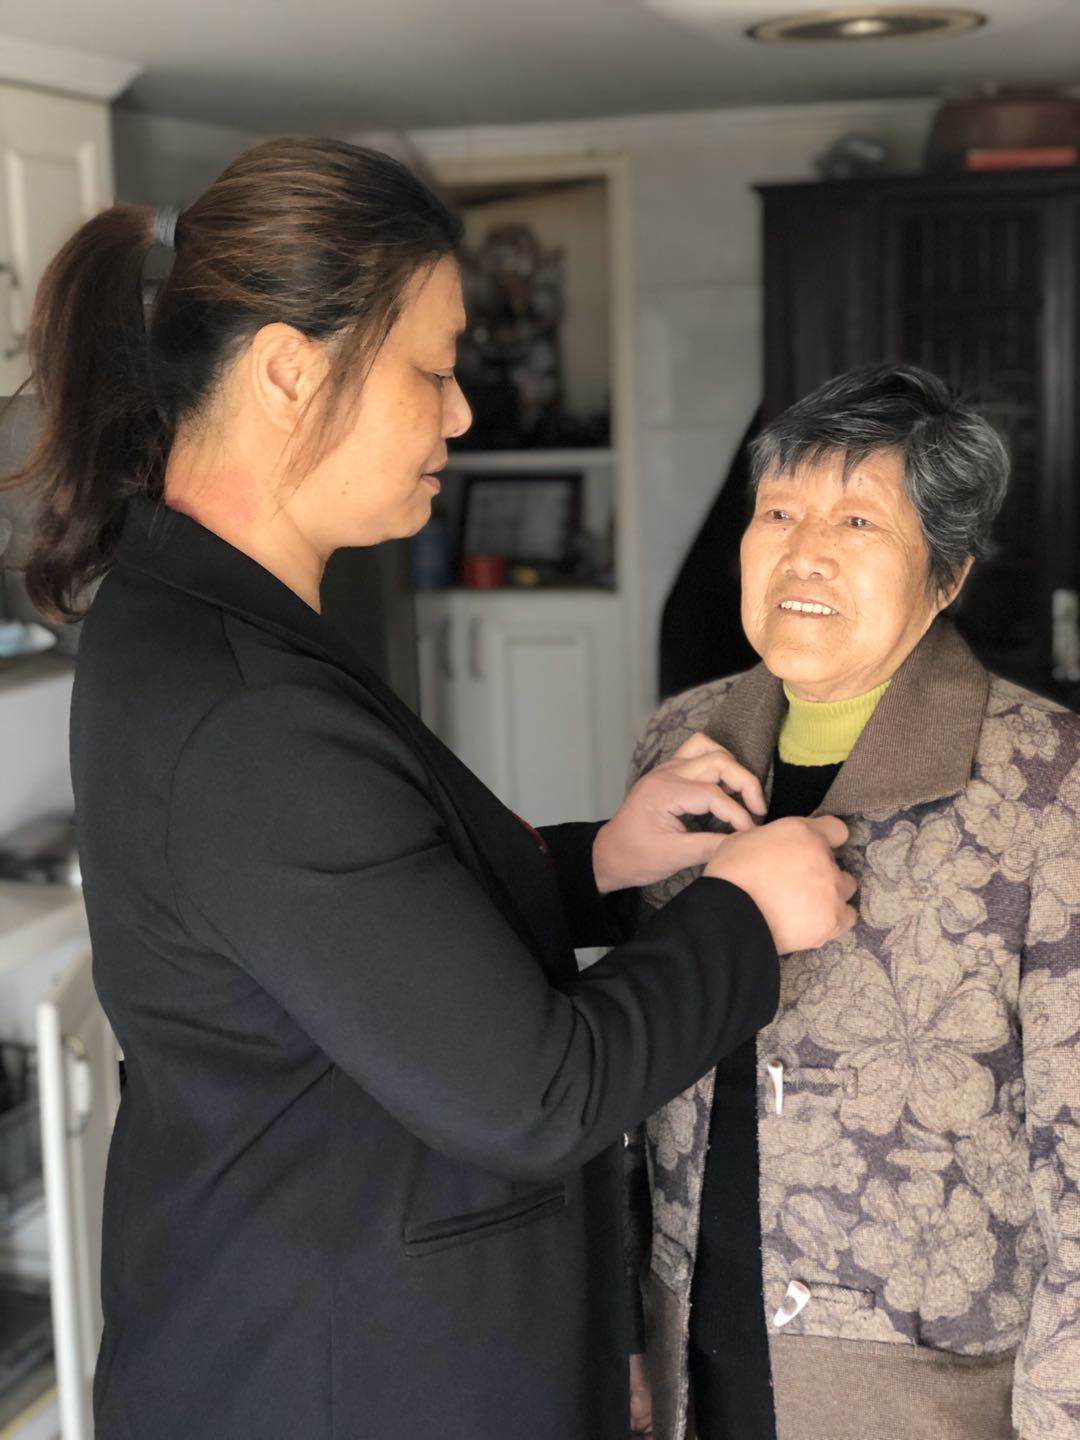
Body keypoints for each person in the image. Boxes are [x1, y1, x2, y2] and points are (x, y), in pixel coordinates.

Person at [9, 138, 856, 1440]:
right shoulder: (244, 707)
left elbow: (364, 921)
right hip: (341, 1380)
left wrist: (598, 863)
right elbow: (539, 1093)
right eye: (433, 369)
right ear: (291, 372)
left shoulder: (203, 616)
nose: (461, 414)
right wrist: (744, 914)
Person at [624, 363, 1080, 1440]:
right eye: (778, 513)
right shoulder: (680, 744)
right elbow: (638, 1074)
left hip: (925, 1395)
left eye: (859, 520)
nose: (804, 552)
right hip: (696, 1354)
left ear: (948, 575)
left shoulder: (1048, 781)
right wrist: (624, 1330)